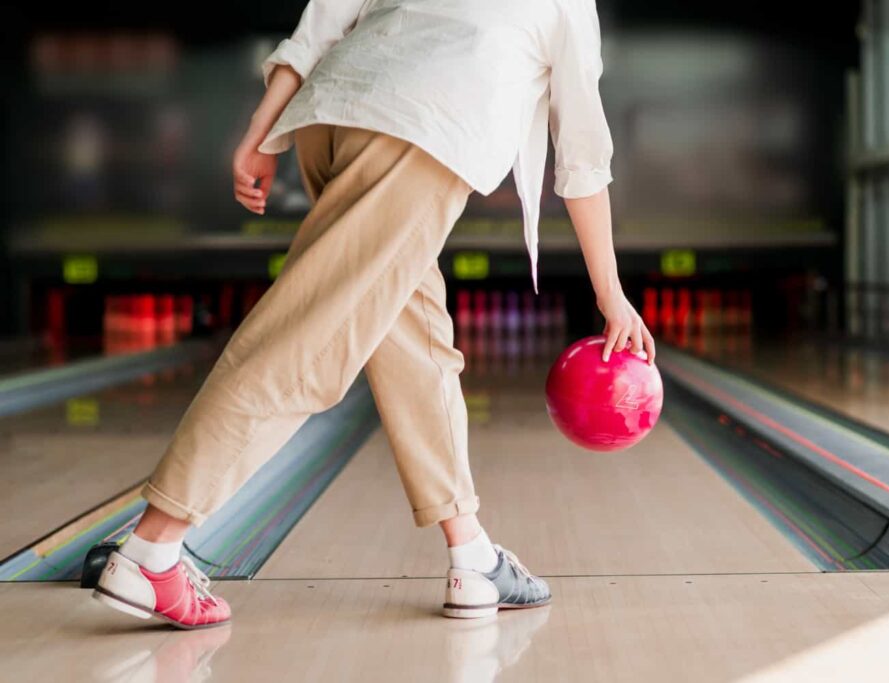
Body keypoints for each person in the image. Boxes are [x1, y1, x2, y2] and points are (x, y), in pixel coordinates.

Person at [93, 0, 656, 629]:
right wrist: (610, 293)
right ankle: (151, 548)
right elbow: (582, 163)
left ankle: (471, 557)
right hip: (420, 132)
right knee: (305, 343)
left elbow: (323, 19)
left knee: (417, 342)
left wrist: (259, 131)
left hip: (330, 116)